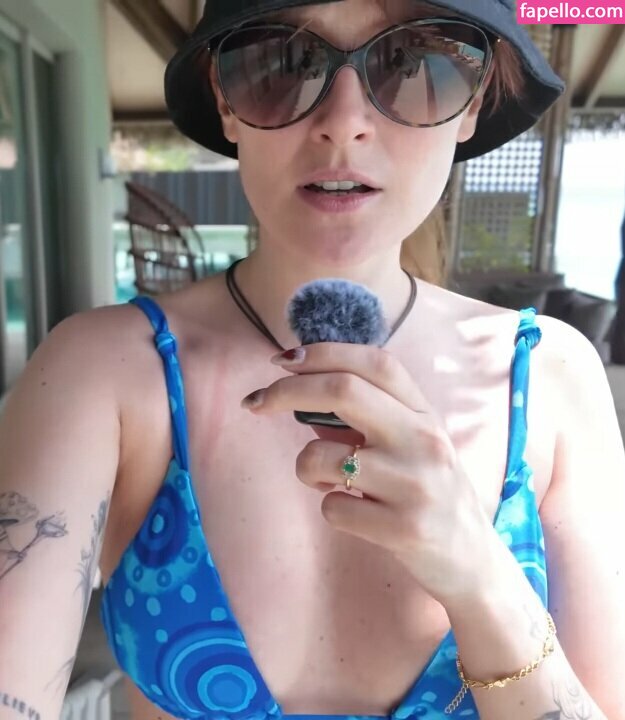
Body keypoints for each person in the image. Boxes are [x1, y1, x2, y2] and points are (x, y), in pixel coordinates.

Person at [1, 0, 624, 718]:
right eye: (282, 60)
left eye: (413, 62)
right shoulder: (102, 372)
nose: (343, 122)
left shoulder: (551, 379)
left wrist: (481, 577)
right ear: (225, 102)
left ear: (472, 104)